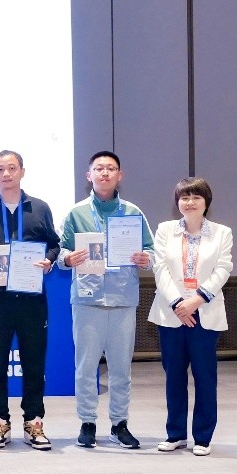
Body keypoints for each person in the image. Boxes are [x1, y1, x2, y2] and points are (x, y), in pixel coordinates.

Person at [58, 150, 154, 449]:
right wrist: (68, 259)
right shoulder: (76, 213)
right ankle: (87, 422)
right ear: (89, 175)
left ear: (119, 175)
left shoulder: (133, 213)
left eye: (110, 168)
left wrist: (145, 258)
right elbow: (60, 251)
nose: (104, 173)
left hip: (123, 298)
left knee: (121, 368)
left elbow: (151, 251)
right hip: (87, 300)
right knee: (86, 367)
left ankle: (119, 423)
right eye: (99, 168)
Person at [0, 150, 61, 451]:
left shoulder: (40, 208)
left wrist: (49, 261)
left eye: (11, 168)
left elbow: (54, 244)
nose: (6, 174)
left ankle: (34, 421)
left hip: (32, 299)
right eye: (0, 169)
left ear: (22, 171)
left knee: (33, 363)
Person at [148, 178, 232, 456]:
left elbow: (223, 269)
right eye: (185, 197)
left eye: (196, 197)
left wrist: (196, 300)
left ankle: (203, 437)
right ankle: (175, 434)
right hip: (171, 313)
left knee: (205, 377)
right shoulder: (165, 230)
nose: (190, 202)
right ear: (178, 202)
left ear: (206, 202)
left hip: (204, 312)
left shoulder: (222, 233)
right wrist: (177, 303)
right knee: (173, 376)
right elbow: (160, 268)